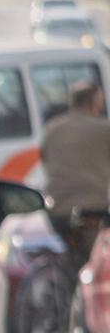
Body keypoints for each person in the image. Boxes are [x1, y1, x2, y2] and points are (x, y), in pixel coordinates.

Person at [41, 79, 110, 260]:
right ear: (93, 103)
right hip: (93, 212)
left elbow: (46, 163)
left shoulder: (52, 129)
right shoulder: (104, 130)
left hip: (57, 213)